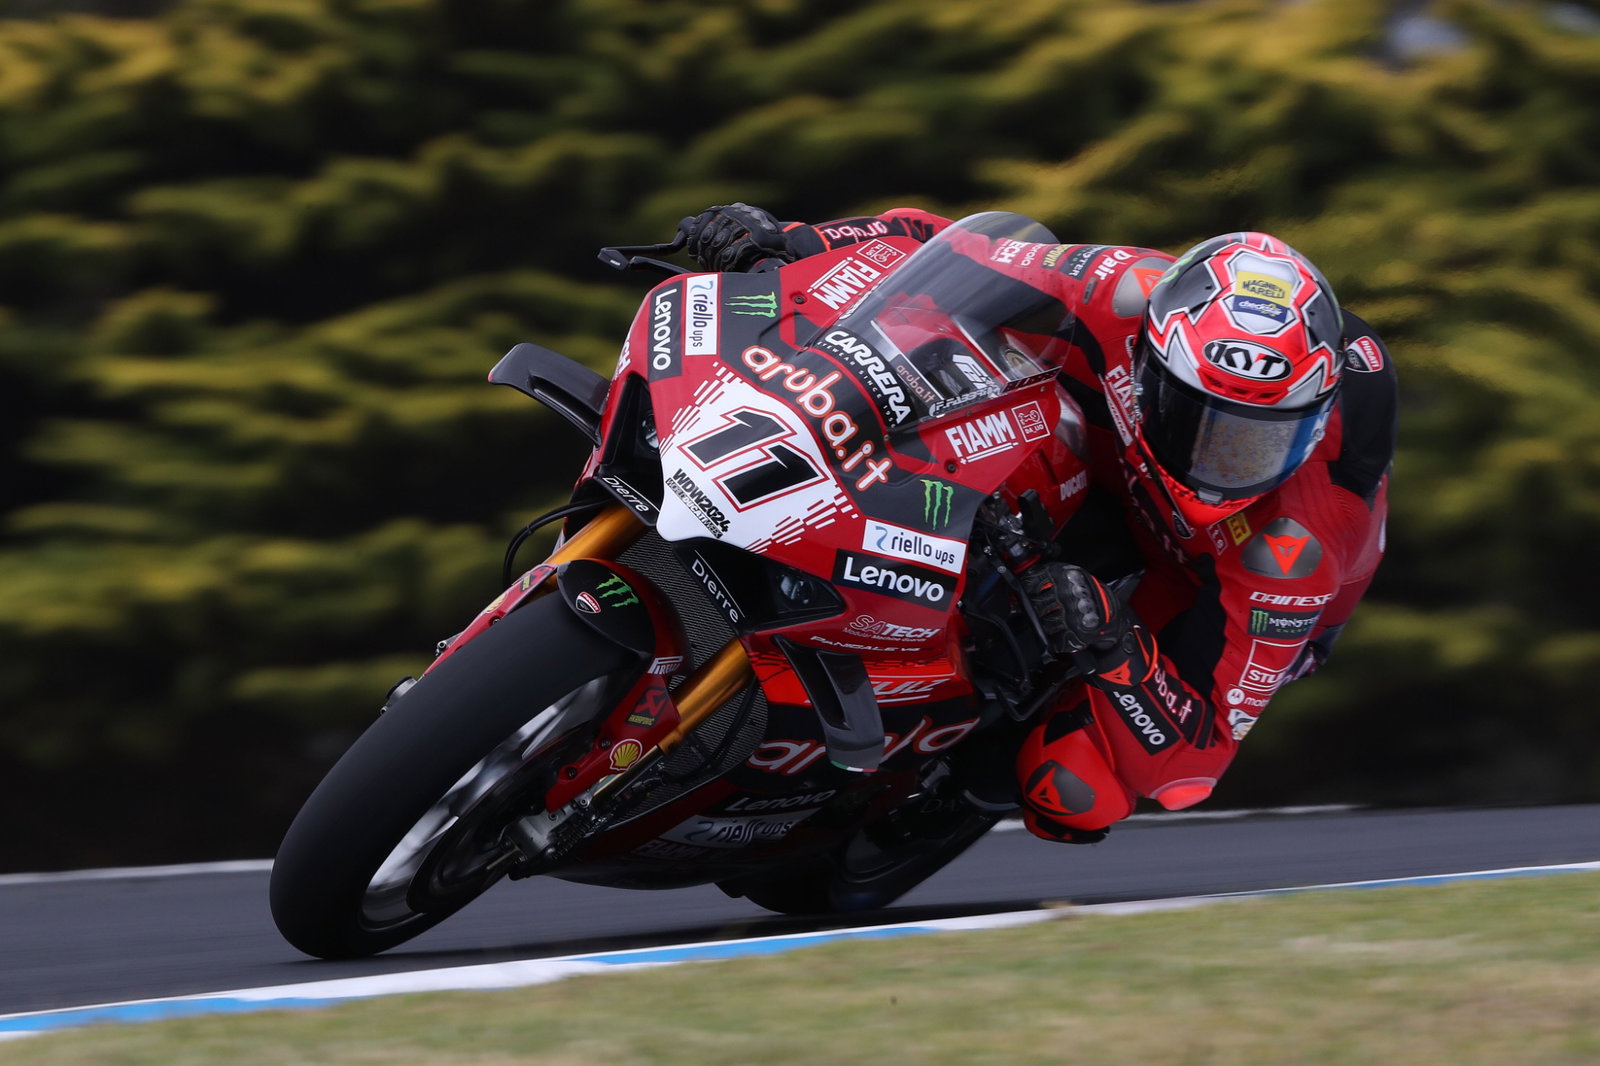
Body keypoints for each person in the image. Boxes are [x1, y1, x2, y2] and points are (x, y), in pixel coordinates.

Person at [678, 203, 1396, 843]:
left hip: (1195, 581)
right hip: (1106, 464)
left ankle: (950, 793)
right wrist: (794, 241)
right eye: (1201, 419)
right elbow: (936, 244)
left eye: (1258, 440)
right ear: (1152, 355)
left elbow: (1194, 761)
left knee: (1077, 788)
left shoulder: (1295, 547)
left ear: (1316, 416)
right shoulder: (1120, 290)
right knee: (982, 372)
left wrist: (1114, 645)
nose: (1222, 461)